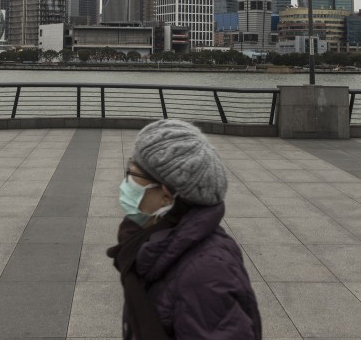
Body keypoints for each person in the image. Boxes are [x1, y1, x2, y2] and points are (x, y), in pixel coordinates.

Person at [107, 119, 262, 339]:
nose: (126, 183)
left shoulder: (204, 277)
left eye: (133, 174)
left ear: (166, 196)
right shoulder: (152, 241)